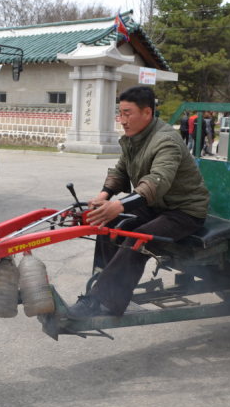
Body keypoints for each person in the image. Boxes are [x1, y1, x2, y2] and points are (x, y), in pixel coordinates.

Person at [65, 86, 211, 320]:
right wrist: (104, 196)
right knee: (107, 222)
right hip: (157, 206)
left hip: (183, 210)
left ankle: (100, 300)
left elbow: (155, 182)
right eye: (120, 113)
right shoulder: (135, 138)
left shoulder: (166, 141)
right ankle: (102, 286)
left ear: (147, 113)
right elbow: (121, 171)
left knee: (137, 240)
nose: (122, 120)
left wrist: (120, 205)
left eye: (127, 113)